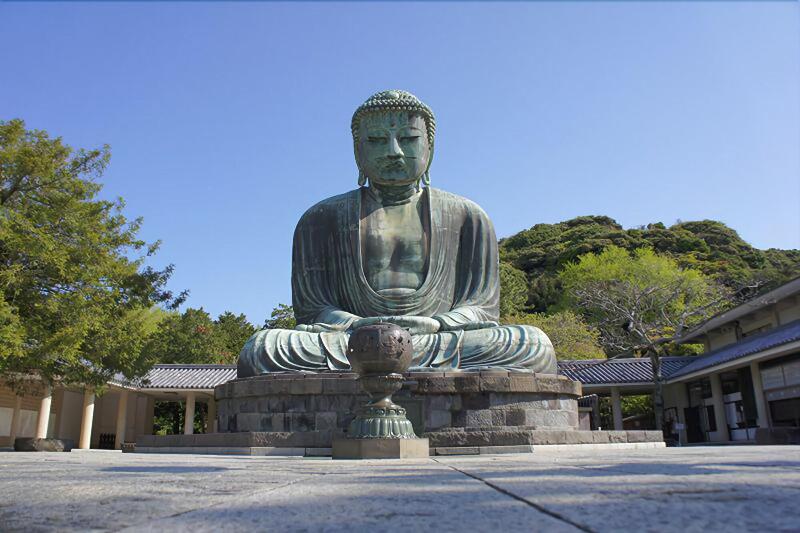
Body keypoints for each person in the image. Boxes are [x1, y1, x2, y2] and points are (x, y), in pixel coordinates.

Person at [238, 90, 556, 376]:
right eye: (376, 141)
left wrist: (438, 323)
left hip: (439, 338)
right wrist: (359, 326)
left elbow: (482, 307)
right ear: (357, 151)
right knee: (265, 348)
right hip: (354, 342)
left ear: (430, 147)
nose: (393, 151)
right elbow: (314, 309)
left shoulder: (468, 216)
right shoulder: (321, 219)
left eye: (407, 139)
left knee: (532, 344)